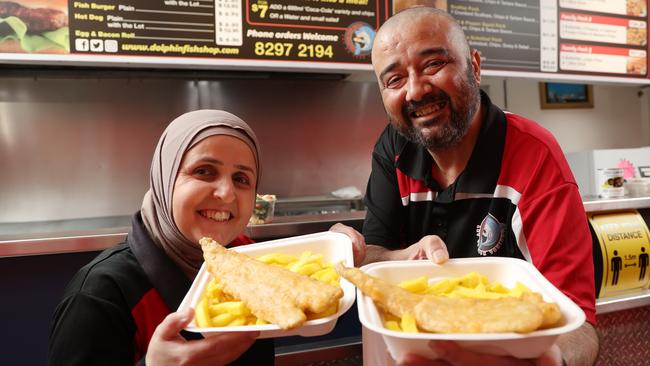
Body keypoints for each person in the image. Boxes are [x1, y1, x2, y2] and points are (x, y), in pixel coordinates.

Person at [358, 7, 598, 366]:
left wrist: (550, 361)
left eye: (433, 64)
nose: (415, 91)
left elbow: (579, 325)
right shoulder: (394, 147)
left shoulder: (534, 155)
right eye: (393, 80)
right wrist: (401, 255)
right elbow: (374, 257)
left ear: (475, 65)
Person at [48, 110, 366, 365]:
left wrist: (338, 248)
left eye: (242, 179)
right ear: (165, 179)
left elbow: (307, 280)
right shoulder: (99, 296)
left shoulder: (245, 255)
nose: (227, 194)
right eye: (204, 171)